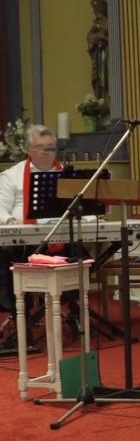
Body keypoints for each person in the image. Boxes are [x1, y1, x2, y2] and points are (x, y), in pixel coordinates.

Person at [0, 125, 64, 311]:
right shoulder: (11, 176)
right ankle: (19, 313)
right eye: (40, 147)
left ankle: (75, 313)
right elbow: (1, 209)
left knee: (83, 257)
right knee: (8, 254)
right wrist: (12, 222)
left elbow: (84, 208)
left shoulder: (67, 174)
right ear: (28, 149)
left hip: (60, 238)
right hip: (23, 241)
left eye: (50, 147)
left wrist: (91, 219)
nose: (46, 152)